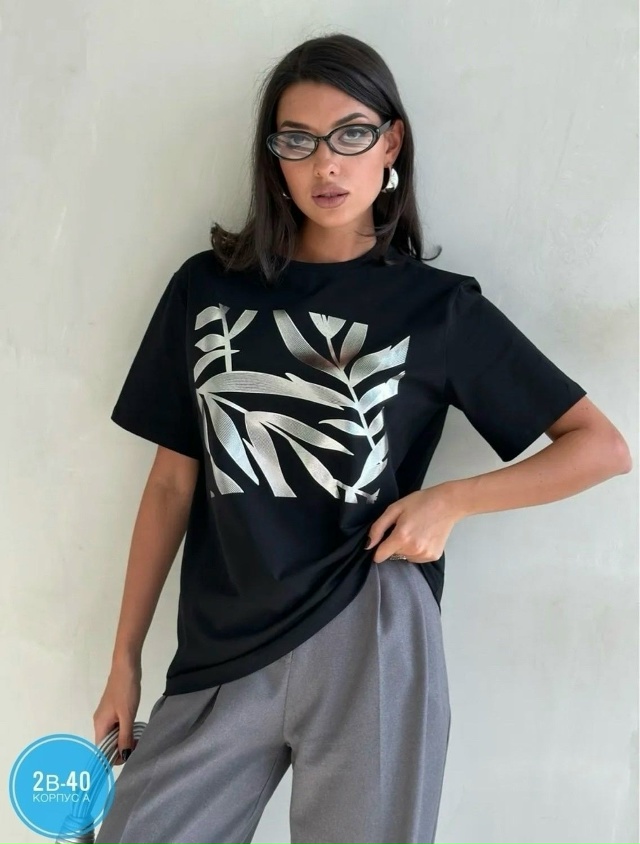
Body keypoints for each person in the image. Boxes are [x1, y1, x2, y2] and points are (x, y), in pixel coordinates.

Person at [92, 32, 631, 844]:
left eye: (350, 135)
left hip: (370, 628)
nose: (326, 164)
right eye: (298, 141)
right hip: (221, 640)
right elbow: (172, 482)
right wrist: (124, 661)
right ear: (273, 156)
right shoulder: (206, 290)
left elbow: (599, 446)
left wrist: (451, 502)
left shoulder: (437, 309)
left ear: (391, 143)